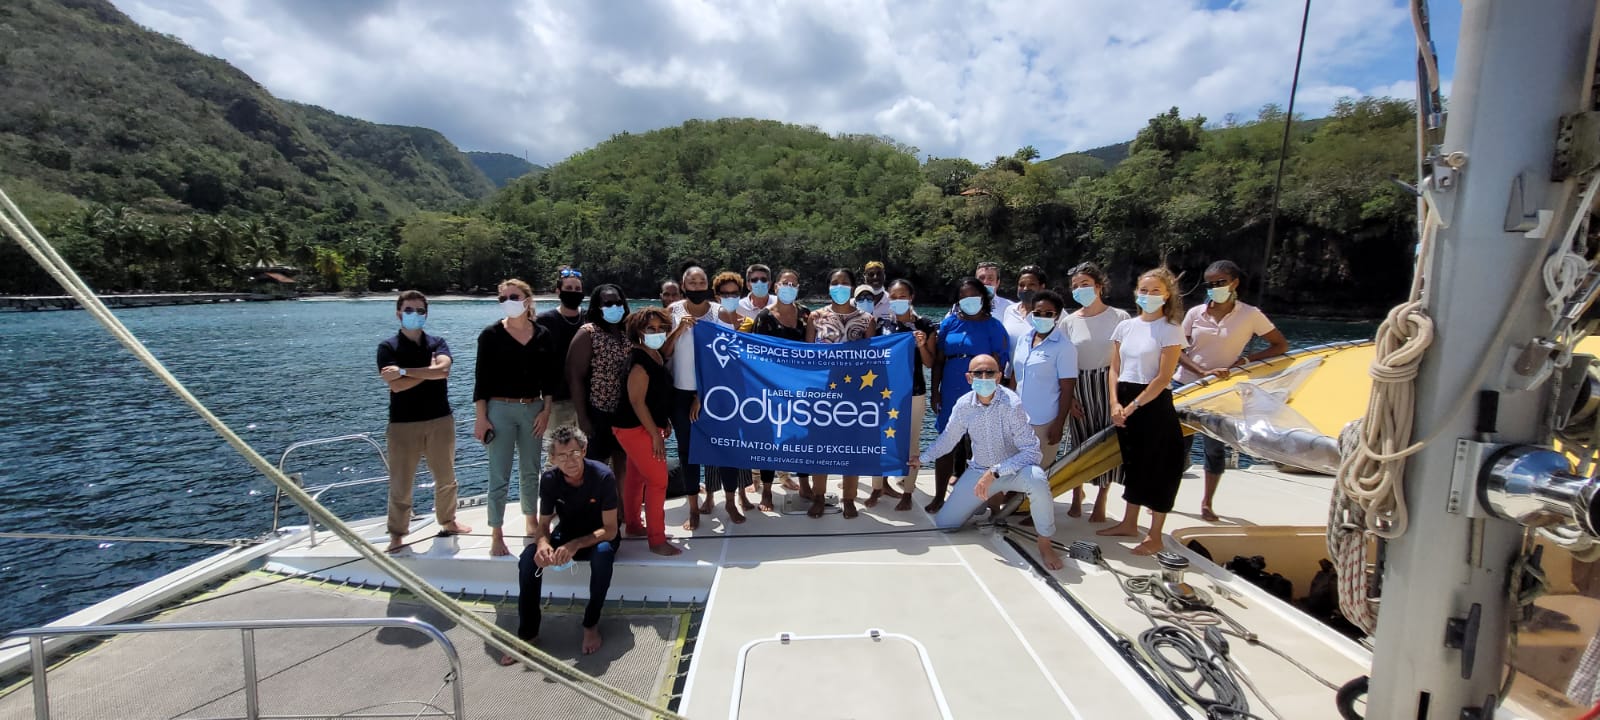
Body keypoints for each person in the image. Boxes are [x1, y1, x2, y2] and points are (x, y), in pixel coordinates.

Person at [912, 354, 1064, 570]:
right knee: (945, 525)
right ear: (968, 378)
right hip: (979, 471)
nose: (984, 377)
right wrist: (922, 459)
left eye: (989, 372)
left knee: (1037, 480)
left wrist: (995, 471)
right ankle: (983, 502)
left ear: (999, 376)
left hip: (1013, 471)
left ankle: (1045, 543)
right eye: (978, 373)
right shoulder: (963, 405)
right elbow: (948, 439)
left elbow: (1032, 452)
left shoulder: (1012, 404)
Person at [1175, 260, 1290, 521]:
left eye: (1220, 283)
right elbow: (1178, 349)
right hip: (1186, 385)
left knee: (1214, 448)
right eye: (1211, 284)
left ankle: (1207, 503)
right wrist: (1200, 371)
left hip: (1223, 390)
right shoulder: (1195, 314)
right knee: (1177, 447)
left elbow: (1279, 344)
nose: (1215, 288)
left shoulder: (1250, 315)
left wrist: (1247, 361)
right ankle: (1166, 496)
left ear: (1234, 283)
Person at [507, 425, 619, 662]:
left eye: (574, 454)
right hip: (566, 535)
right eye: (562, 456)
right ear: (552, 458)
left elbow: (610, 529)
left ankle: (590, 624)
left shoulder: (602, 476)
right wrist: (542, 545)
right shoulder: (549, 480)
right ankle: (528, 634)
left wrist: (576, 545)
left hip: (597, 536)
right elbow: (543, 525)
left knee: (604, 555)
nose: (570, 461)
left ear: (584, 451)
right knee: (529, 560)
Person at [1099, 267, 1189, 556]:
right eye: (1144, 290)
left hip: (1152, 402)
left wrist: (1133, 406)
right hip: (1123, 396)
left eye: (1155, 291)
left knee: (1160, 465)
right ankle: (1128, 522)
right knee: (1133, 462)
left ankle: (1155, 535)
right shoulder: (1125, 326)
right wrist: (1115, 402)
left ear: (1166, 295)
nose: (1148, 296)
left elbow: (1164, 377)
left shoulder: (1170, 328)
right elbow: (1114, 368)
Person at [376, 291, 470, 554]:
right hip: (403, 425)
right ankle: (396, 534)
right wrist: (428, 374)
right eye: (408, 310)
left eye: (419, 310)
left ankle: (449, 521)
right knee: (401, 483)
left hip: (440, 420)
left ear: (426, 314)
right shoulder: (388, 347)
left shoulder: (437, 343)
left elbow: (444, 370)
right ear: (398, 314)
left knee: (446, 477)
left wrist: (405, 372)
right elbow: (394, 387)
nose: (414, 315)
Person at [474, 279, 558, 557]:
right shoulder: (490, 335)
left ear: (528, 299)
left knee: (531, 469)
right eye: (504, 298)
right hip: (500, 409)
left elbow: (550, 379)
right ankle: (496, 533)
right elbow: (481, 381)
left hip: (533, 408)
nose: (509, 300)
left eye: (514, 295)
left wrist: (546, 411)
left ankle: (531, 520)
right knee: (499, 473)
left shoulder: (543, 334)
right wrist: (481, 418)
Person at [664, 264, 743, 528]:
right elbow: (663, 352)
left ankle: (730, 502)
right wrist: (678, 331)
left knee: (724, 447)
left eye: (701, 282)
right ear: (684, 286)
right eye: (692, 283)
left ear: (707, 286)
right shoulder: (673, 312)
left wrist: (703, 393)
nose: (697, 286)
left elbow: (729, 358)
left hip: (713, 393)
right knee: (687, 451)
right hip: (679, 392)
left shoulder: (719, 312)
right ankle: (694, 508)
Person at [929, 277, 1012, 513]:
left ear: (984, 298)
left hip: (982, 388)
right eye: (963, 297)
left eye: (974, 296)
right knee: (946, 443)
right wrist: (935, 391)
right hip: (952, 386)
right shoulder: (949, 325)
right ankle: (938, 497)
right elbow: (938, 361)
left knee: (985, 444)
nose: (969, 301)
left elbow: (1000, 362)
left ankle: (987, 499)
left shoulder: (994, 326)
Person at [611, 307, 684, 556]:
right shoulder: (639, 361)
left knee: (636, 476)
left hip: (645, 425)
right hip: (635, 428)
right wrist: (655, 434)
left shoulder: (654, 354)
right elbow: (636, 401)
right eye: (650, 329)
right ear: (638, 332)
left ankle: (633, 525)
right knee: (657, 480)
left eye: (660, 328)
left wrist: (663, 423)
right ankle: (657, 540)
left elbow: (656, 396)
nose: (657, 333)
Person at [804, 269, 876, 518]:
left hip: (853, 393)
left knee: (851, 447)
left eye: (845, 283)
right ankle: (818, 497)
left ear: (853, 287)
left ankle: (849, 498)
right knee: (820, 447)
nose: (840, 286)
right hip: (822, 392)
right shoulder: (815, 317)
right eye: (835, 283)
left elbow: (872, 359)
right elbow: (807, 357)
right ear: (828, 287)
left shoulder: (867, 319)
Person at [1062, 262, 1130, 521]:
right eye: (1076, 286)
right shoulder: (1068, 322)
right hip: (1079, 384)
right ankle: (1076, 493)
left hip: (1108, 382)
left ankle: (1102, 497)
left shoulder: (1119, 317)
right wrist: (1069, 399)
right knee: (1078, 442)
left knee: (1106, 441)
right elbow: (1064, 361)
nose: (1080, 290)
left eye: (1085, 285)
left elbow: (1125, 357)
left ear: (1099, 287)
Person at [867, 278, 936, 511]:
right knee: (880, 440)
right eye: (894, 297)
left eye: (903, 296)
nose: (898, 301)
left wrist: (923, 345)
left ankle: (908, 491)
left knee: (911, 443)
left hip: (914, 393)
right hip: (884, 393)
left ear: (911, 297)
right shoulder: (881, 325)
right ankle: (878, 486)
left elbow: (930, 362)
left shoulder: (925, 325)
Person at [746, 268, 812, 508]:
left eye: (794, 284)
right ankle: (766, 490)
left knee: (803, 437)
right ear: (776, 287)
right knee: (768, 439)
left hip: (800, 389)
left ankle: (805, 483)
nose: (789, 287)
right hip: (770, 390)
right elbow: (756, 355)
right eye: (785, 283)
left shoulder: (807, 315)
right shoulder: (764, 317)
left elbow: (814, 350)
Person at [567, 285, 632, 485]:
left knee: (624, 463)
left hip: (626, 411)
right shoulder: (588, 333)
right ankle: (596, 511)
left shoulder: (627, 331)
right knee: (596, 465)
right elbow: (574, 377)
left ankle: (622, 509)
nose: (615, 306)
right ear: (598, 306)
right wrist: (583, 418)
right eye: (608, 303)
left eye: (618, 302)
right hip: (599, 410)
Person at [1006, 289, 1077, 471]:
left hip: (1045, 420)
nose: (1042, 317)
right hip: (1018, 418)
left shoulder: (1064, 347)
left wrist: (1059, 424)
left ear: (1057, 316)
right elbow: (1016, 374)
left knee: (1039, 473)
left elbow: (1067, 389)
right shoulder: (1024, 339)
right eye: (1038, 313)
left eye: (1048, 314)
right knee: (1014, 469)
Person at [535, 267, 584, 443]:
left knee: (588, 451)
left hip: (586, 399)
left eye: (577, 289)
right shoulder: (544, 321)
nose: (573, 292)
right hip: (557, 400)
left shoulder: (589, 318)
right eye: (568, 288)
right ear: (558, 290)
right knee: (557, 452)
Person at [1000, 265, 1048, 347]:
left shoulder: (1052, 312)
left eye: (1031, 285)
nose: (1025, 288)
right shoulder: (1010, 310)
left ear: (1042, 287)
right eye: (1021, 285)